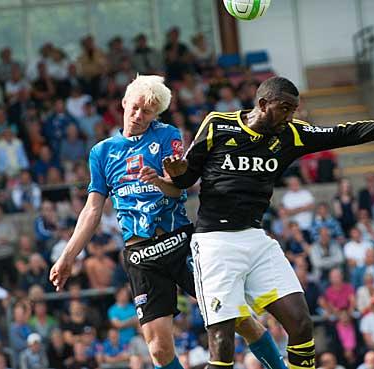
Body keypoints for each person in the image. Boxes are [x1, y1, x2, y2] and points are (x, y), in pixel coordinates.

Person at [156, 76, 374, 369]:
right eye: (284, 108)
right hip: (215, 243)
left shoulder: (291, 133)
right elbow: (188, 178)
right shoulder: (218, 124)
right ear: (263, 104)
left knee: (300, 324)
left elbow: (342, 133)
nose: (290, 116)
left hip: (256, 239)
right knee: (222, 344)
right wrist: (177, 173)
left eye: (294, 109)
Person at [49, 75, 287, 369]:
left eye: (147, 112)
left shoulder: (166, 136)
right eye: (134, 107)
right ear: (123, 103)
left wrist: (161, 182)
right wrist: (68, 256)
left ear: (156, 114)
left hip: (180, 243)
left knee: (236, 318)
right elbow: (92, 209)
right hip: (142, 256)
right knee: (159, 349)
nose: (138, 116)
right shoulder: (102, 152)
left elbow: (179, 188)